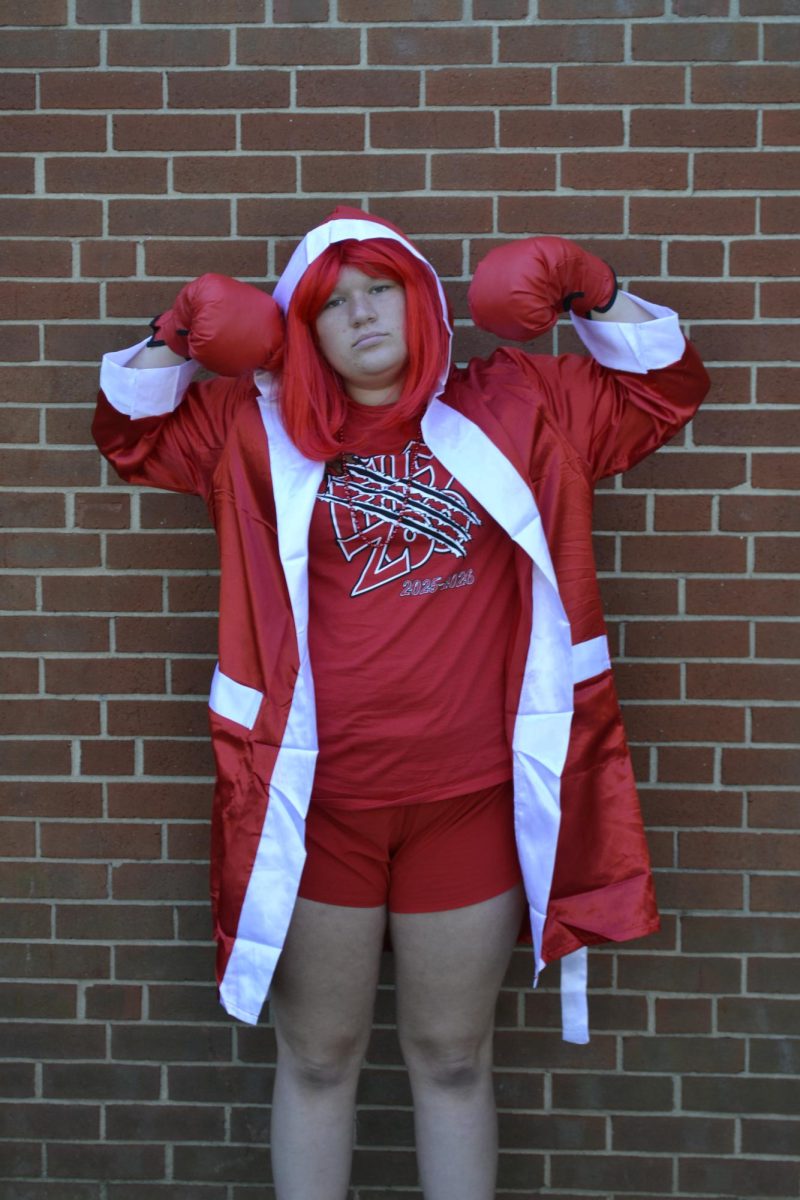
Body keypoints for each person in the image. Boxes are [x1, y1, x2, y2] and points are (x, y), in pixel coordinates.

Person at [93, 206, 710, 1200]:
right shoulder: (249, 429)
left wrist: (591, 286)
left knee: (453, 1058)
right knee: (321, 1059)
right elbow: (127, 430)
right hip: (313, 808)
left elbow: (662, 389)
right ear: (302, 331)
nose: (361, 314)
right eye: (331, 304)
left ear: (418, 300)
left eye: (379, 287)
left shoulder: (519, 403)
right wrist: (175, 333)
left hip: (467, 798)